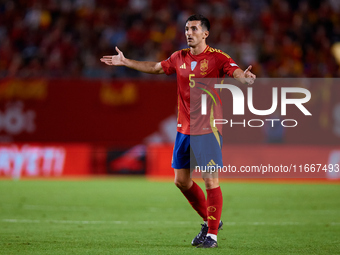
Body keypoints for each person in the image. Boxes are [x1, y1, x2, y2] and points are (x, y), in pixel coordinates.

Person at [101, 14, 256, 248]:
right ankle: (211, 220)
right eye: (186, 28)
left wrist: (244, 78)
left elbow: (235, 71)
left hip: (208, 127)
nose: (188, 32)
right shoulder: (178, 57)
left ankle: (212, 235)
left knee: (210, 179)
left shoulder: (217, 58)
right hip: (184, 128)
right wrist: (126, 62)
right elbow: (155, 67)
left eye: (194, 28)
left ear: (205, 33)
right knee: (181, 181)